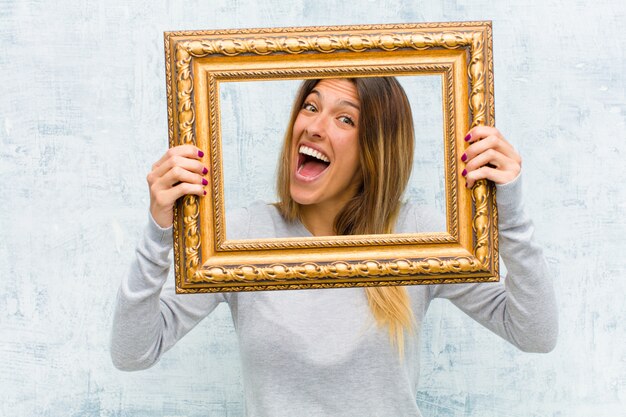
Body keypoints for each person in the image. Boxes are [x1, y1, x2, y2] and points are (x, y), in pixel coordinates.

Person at [111, 77, 558, 417]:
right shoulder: (244, 236)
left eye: (345, 118)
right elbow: (133, 352)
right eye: (310, 107)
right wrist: (158, 230)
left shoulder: (415, 235)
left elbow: (533, 333)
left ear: (374, 150)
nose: (315, 127)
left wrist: (511, 213)